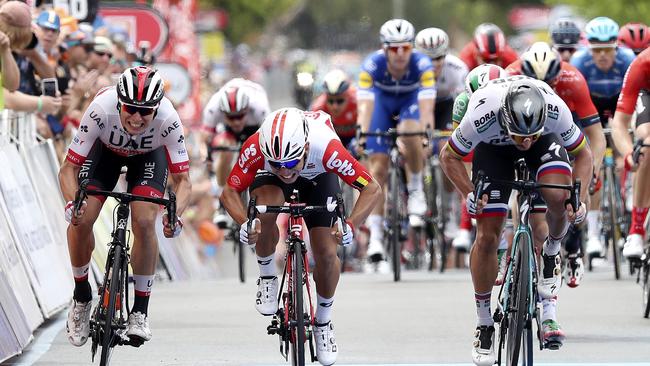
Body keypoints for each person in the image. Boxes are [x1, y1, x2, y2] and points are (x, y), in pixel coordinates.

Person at [440, 77, 592, 364]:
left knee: (559, 197)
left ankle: (550, 253)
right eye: (520, 135)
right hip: (494, 150)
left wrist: (579, 199)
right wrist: (469, 193)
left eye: (530, 135)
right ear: (504, 118)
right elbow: (448, 156)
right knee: (487, 236)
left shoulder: (555, 109)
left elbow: (584, 153)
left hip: (545, 147)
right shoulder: (481, 114)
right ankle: (484, 323)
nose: (525, 142)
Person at [220, 108, 382, 365]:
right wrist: (244, 223)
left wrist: (351, 224)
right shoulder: (257, 147)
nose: (285, 171)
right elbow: (229, 191)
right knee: (262, 214)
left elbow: (371, 188)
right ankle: (267, 276)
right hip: (269, 182)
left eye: (290, 163)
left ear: (305, 148)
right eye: (278, 164)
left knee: (328, 254)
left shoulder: (327, 149)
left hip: (318, 177)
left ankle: (324, 322)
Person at [59, 66, 192, 346]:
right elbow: (68, 168)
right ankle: (82, 296)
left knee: (144, 222)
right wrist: (73, 202)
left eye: (145, 111)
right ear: (119, 102)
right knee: (82, 219)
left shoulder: (169, 119)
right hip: (104, 155)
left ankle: (140, 312)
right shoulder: (100, 110)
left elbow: (183, 180)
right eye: (130, 108)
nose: (136, 117)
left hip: (148, 159)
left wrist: (174, 215)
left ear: (157, 108)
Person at [507, 42, 605, 287]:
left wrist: (594, 169)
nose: (543, 89)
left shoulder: (573, 79)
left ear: (558, 76)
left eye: (550, 84)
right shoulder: (510, 76)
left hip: (565, 128)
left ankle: (573, 246)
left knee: (573, 191)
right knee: (539, 226)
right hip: (525, 132)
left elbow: (595, 135)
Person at [357, 18, 435, 266]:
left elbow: (426, 108)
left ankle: (415, 188)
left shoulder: (422, 64)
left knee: (413, 131)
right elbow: (365, 106)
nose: (400, 53)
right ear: (384, 48)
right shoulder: (372, 65)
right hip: (382, 102)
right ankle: (376, 237)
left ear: (412, 47)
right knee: (377, 169)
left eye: (405, 48)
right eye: (394, 48)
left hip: (409, 102)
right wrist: (362, 133)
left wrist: (426, 133)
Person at [570, 16, 636, 257]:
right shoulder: (580, 61)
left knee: (626, 143)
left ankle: (627, 180)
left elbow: (636, 98)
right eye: (597, 50)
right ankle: (595, 234)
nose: (603, 56)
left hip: (620, 103)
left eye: (608, 49)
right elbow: (576, 104)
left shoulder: (629, 60)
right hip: (591, 105)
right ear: (590, 49)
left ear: (616, 47)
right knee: (592, 165)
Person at [449, 64, 507, 260]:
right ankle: (466, 226)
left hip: (509, 139)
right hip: (480, 141)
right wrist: (470, 191)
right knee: (472, 178)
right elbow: (458, 153)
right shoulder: (462, 103)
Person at [201, 77, 270, 199]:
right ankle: (222, 192)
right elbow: (205, 139)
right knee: (226, 147)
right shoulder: (213, 108)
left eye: (240, 116)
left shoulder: (259, 107)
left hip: (254, 127)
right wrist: (207, 157)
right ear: (223, 113)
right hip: (228, 131)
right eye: (231, 117)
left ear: (247, 110)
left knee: (260, 153)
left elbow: (268, 138)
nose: (236, 122)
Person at [611, 47, 650, 259]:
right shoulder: (642, 63)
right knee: (647, 143)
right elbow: (619, 123)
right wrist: (628, 155)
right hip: (648, 98)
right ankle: (636, 229)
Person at [415, 27, 468, 131]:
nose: (434, 64)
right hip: (420, 104)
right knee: (421, 142)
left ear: (445, 54)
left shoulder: (457, 68)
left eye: (438, 58)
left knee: (444, 143)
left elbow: (464, 101)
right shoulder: (411, 68)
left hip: (446, 105)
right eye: (428, 59)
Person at [310, 69, 357, 148]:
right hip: (333, 140)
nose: (335, 106)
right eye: (330, 101)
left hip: (354, 139)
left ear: (348, 97)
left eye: (340, 101)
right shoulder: (318, 108)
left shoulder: (358, 103)